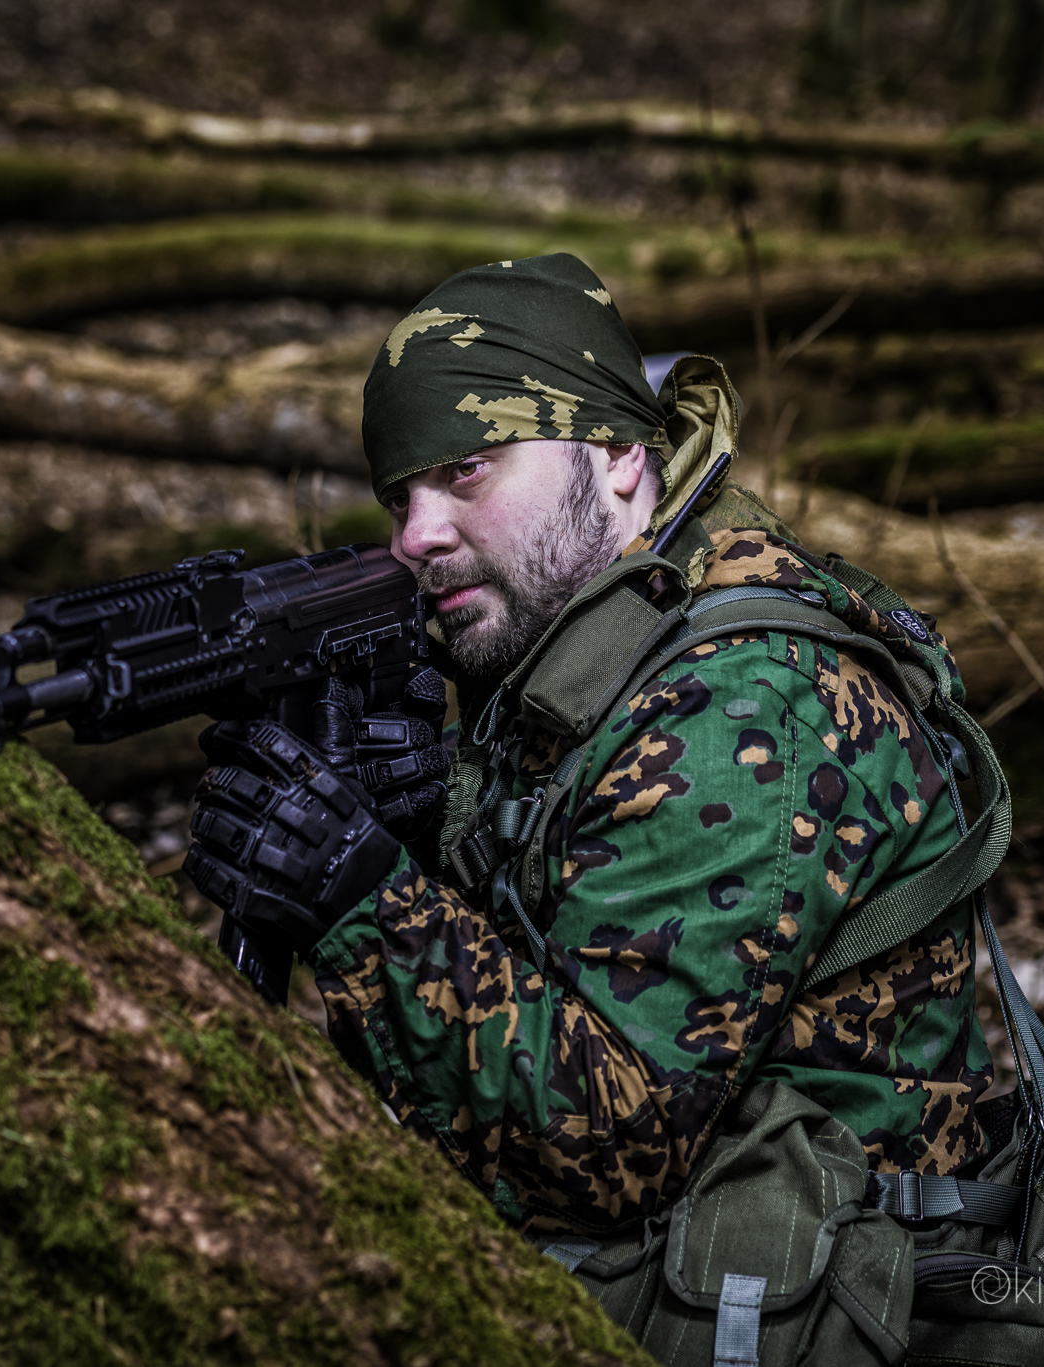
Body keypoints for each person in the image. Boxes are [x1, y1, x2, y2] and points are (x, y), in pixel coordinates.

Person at [183, 253, 995, 1237]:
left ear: (614, 453)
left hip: (841, 1279)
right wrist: (426, 848)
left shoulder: (742, 704)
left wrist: (364, 901)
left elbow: (611, 1152)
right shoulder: (592, 644)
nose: (415, 536)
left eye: (464, 469)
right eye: (400, 495)